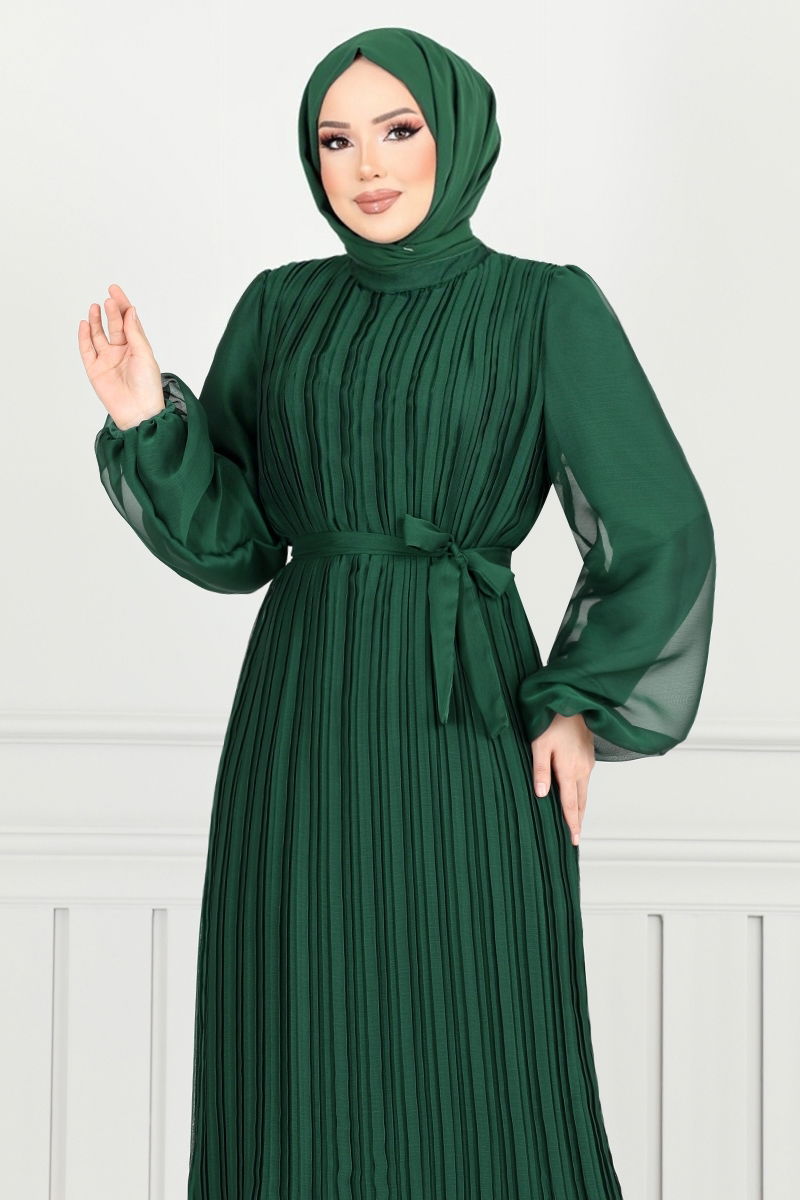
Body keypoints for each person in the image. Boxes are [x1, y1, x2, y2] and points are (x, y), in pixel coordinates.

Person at [80, 25, 716, 1200]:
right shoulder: (279, 307)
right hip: (301, 717)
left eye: (397, 130)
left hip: (467, 713)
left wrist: (578, 704)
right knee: (297, 1043)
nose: (366, 165)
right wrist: (142, 420)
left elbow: (656, 521)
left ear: (454, 137)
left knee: (483, 1040)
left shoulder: (542, 306)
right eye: (335, 140)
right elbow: (235, 545)